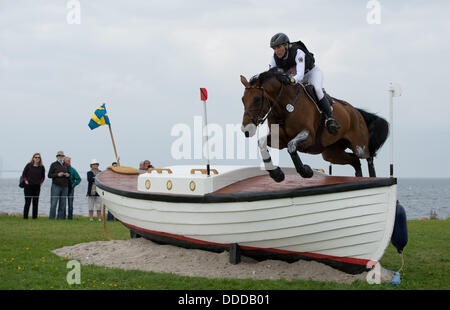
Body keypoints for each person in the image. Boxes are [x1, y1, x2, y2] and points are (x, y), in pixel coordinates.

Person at [268, 33, 341, 135]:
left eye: (278, 47)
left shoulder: (298, 52)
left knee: (317, 90)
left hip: (311, 73)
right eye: (274, 48)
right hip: (294, 77)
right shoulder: (274, 58)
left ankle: (329, 118)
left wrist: (290, 80)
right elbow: (271, 74)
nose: (276, 51)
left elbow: (300, 75)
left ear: (286, 45)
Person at [21, 153, 45, 219]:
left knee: (35, 203)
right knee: (27, 202)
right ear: (33, 158)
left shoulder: (42, 167)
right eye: (36, 157)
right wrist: (25, 181)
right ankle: (25, 217)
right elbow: (24, 174)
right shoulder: (29, 165)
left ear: (40, 159)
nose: (37, 158)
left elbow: (43, 177)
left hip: (37, 187)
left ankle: (35, 218)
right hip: (28, 187)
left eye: (38, 157)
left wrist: (40, 183)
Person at [48, 151, 70, 220]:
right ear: (57, 156)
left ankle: (60, 218)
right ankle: (51, 218)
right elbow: (49, 175)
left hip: (65, 186)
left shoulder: (66, 165)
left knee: (63, 203)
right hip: (56, 186)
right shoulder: (53, 164)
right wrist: (57, 174)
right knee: (54, 203)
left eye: (62, 156)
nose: (60, 157)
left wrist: (68, 175)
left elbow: (69, 174)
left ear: (63, 157)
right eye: (59, 156)